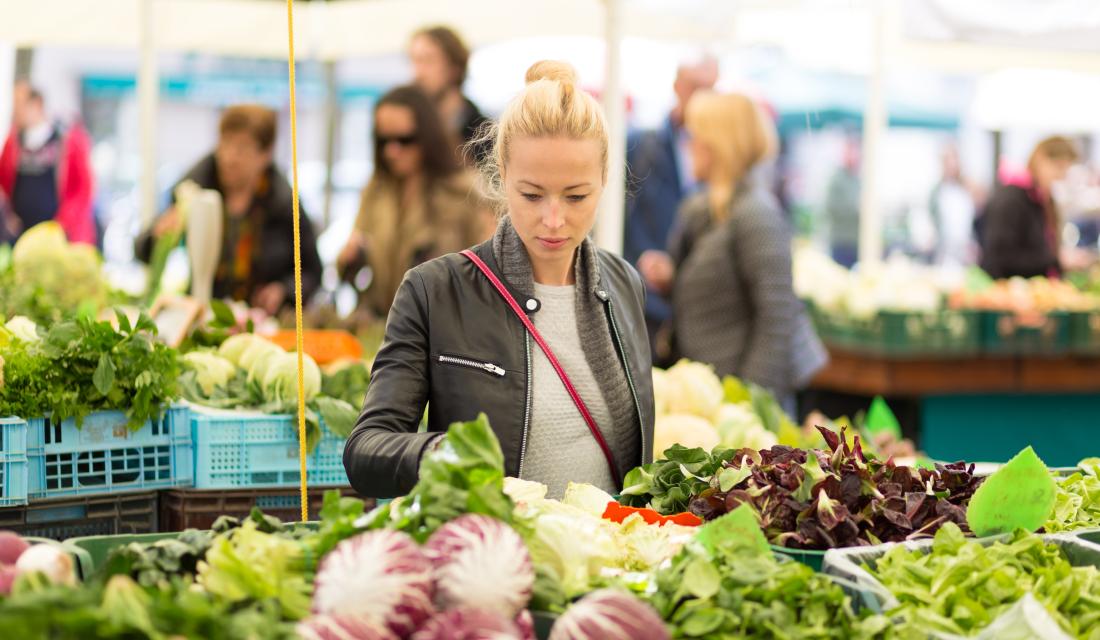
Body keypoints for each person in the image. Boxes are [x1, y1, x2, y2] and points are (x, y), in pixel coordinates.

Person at [344, 61, 654, 499]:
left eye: (576, 196)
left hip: (610, 557)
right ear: (501, 176)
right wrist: (447, 455)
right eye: (531, 194)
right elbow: (366, 449)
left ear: (604, 181)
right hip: (491, 554)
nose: (553, 219)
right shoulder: (434, 291)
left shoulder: (624, 285)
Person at [638, 91, 826, 410]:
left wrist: (747, 403)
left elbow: (777, 316)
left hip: (740, 402)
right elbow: (720, 291)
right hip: (714, 393)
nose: (688, 145)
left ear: (718, 144)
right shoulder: (707, 208)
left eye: (695, 136)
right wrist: (671, 279)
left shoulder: (756, 214)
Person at [136, 104, 321, 314]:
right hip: (203, 315)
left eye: (242, 148)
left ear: (265, 154)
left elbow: (313, 272)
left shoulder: (284, 203)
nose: (229, 157)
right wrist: (159, 235)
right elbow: (142, 251)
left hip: (262, 322)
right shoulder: (194, 189)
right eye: (225, 144)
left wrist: (284, 291)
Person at [336, 85, 493, 317]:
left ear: (427, 137)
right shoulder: (375, 191)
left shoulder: (464, 193)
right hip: (381, 327)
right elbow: (351, 259)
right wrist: (348, 258)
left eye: (404, 140)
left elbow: (487, 274)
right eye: (383, 140)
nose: (392, 151)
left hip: (440, 330)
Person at [623, 55, 718, 362]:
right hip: (643, 301)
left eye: (709, 88)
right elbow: (623, 219)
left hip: (692, 308)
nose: (701, 96)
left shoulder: (720, 154)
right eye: (695, 86)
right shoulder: (642, 145)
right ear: (677, 87)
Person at [0, 81, 95, 245]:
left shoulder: (68, 140)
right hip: (21, 234)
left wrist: (63, 223)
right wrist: (8, 215)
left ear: (36, 104)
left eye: (19, 104)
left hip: (59, 236)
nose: (15, 111)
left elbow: (83, 188)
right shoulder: (13, 142)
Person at [980, 136, 1079, 279]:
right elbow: (1001, 257)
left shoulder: (1043, 198)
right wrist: (1055, 261)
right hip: (1009, 292)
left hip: (1036, 289)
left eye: (1065, 170)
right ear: (1040, 159)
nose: (1061, 176)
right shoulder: (1012, 198)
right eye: (1058, 167)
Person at [409, 25, 488, 163]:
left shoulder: (483, 135)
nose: (418, 73)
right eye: (414, 61)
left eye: (428, 60)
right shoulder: (410, 131)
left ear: (454, 67)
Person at [929, 144, 978, 267]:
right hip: (944, 248)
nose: (952, 165)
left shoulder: (967, 188)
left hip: (966, 247)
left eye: (954, 160)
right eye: (948, 161)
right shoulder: (937, 192)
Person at [823, 136, 861, 268]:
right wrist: (856, 207)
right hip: (841, 241)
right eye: (851, 151)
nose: (854, 155)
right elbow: (831, 207)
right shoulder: (836, 179)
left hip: (856, 240)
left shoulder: (857, 179)